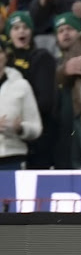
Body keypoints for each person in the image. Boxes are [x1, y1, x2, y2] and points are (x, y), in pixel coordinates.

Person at [0, 38, 43, 170]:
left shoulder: (21, 85)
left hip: (13, 158)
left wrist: (20, 128)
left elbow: (36, 128)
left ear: (5, 56)